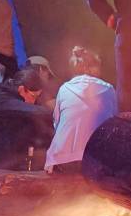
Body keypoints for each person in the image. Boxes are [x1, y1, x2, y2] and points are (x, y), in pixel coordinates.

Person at [45, 46, 118, 174]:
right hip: (95, 160)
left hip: (62, 160)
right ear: (93, 67)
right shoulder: (108, 89)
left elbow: (56, 123)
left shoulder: (64, 89)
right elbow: (114, 124)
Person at [0, 68, 54, 170]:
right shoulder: (0, 100)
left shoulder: (6, 97)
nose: (33, 101)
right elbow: (35, 111)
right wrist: (56, 109)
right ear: (21, 89)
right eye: (33, 96)